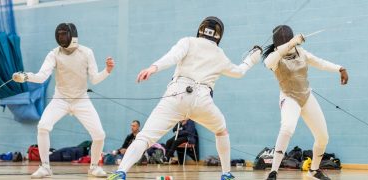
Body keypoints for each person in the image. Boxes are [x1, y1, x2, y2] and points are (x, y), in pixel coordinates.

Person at [107, 16, 262, 180]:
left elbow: (172, 56)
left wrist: (153, 68)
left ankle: (121, 172)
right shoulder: (220, 54)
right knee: (221, 131)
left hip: (177, 95)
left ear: (201, 30)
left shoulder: (188, 41)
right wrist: (251, 59)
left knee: (144, 137)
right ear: (219, 35)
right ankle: (226, 174)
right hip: (202, 101)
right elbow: (238, 72)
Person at [12, 23, 114, 178]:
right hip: (60, 99)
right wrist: (26, 76)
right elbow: (41, 76)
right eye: (59, 35)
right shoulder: (54, 54)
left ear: (72, 36)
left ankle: (94, 167)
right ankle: (45, 167)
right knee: (43, 126)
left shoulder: (86, 52)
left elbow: (94, 79)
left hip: (81, 100)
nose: (61, 38)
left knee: (99, 134)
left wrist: (107, 71)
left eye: (64, 35)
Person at [262, 25, 348, 180]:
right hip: (289, 98)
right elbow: (267, 63)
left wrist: (340, 68)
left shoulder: (301, 52)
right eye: (283, 41)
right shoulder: (275, 58)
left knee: (323, 137)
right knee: (287, 127)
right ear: (277, 43)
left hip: (307, 97)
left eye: (287, 40)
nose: (286, 43)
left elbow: (320, 63)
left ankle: (314, 170)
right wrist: (289, 44)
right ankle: (273, 172)